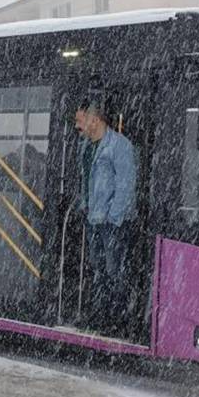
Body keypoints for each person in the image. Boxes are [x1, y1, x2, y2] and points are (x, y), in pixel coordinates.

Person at [74, 100, 138, 336]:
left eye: (82, 120)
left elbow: (125, 184)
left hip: (112, 223)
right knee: (98, 270)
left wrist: (114, 217)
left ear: (95, 120)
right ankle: (99, 317)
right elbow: (86, 181)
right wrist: (85, 206)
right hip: (93, 218)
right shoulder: (86, 146)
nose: (78, 125)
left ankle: (118, 320)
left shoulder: (119, 146)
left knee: (115, 271)